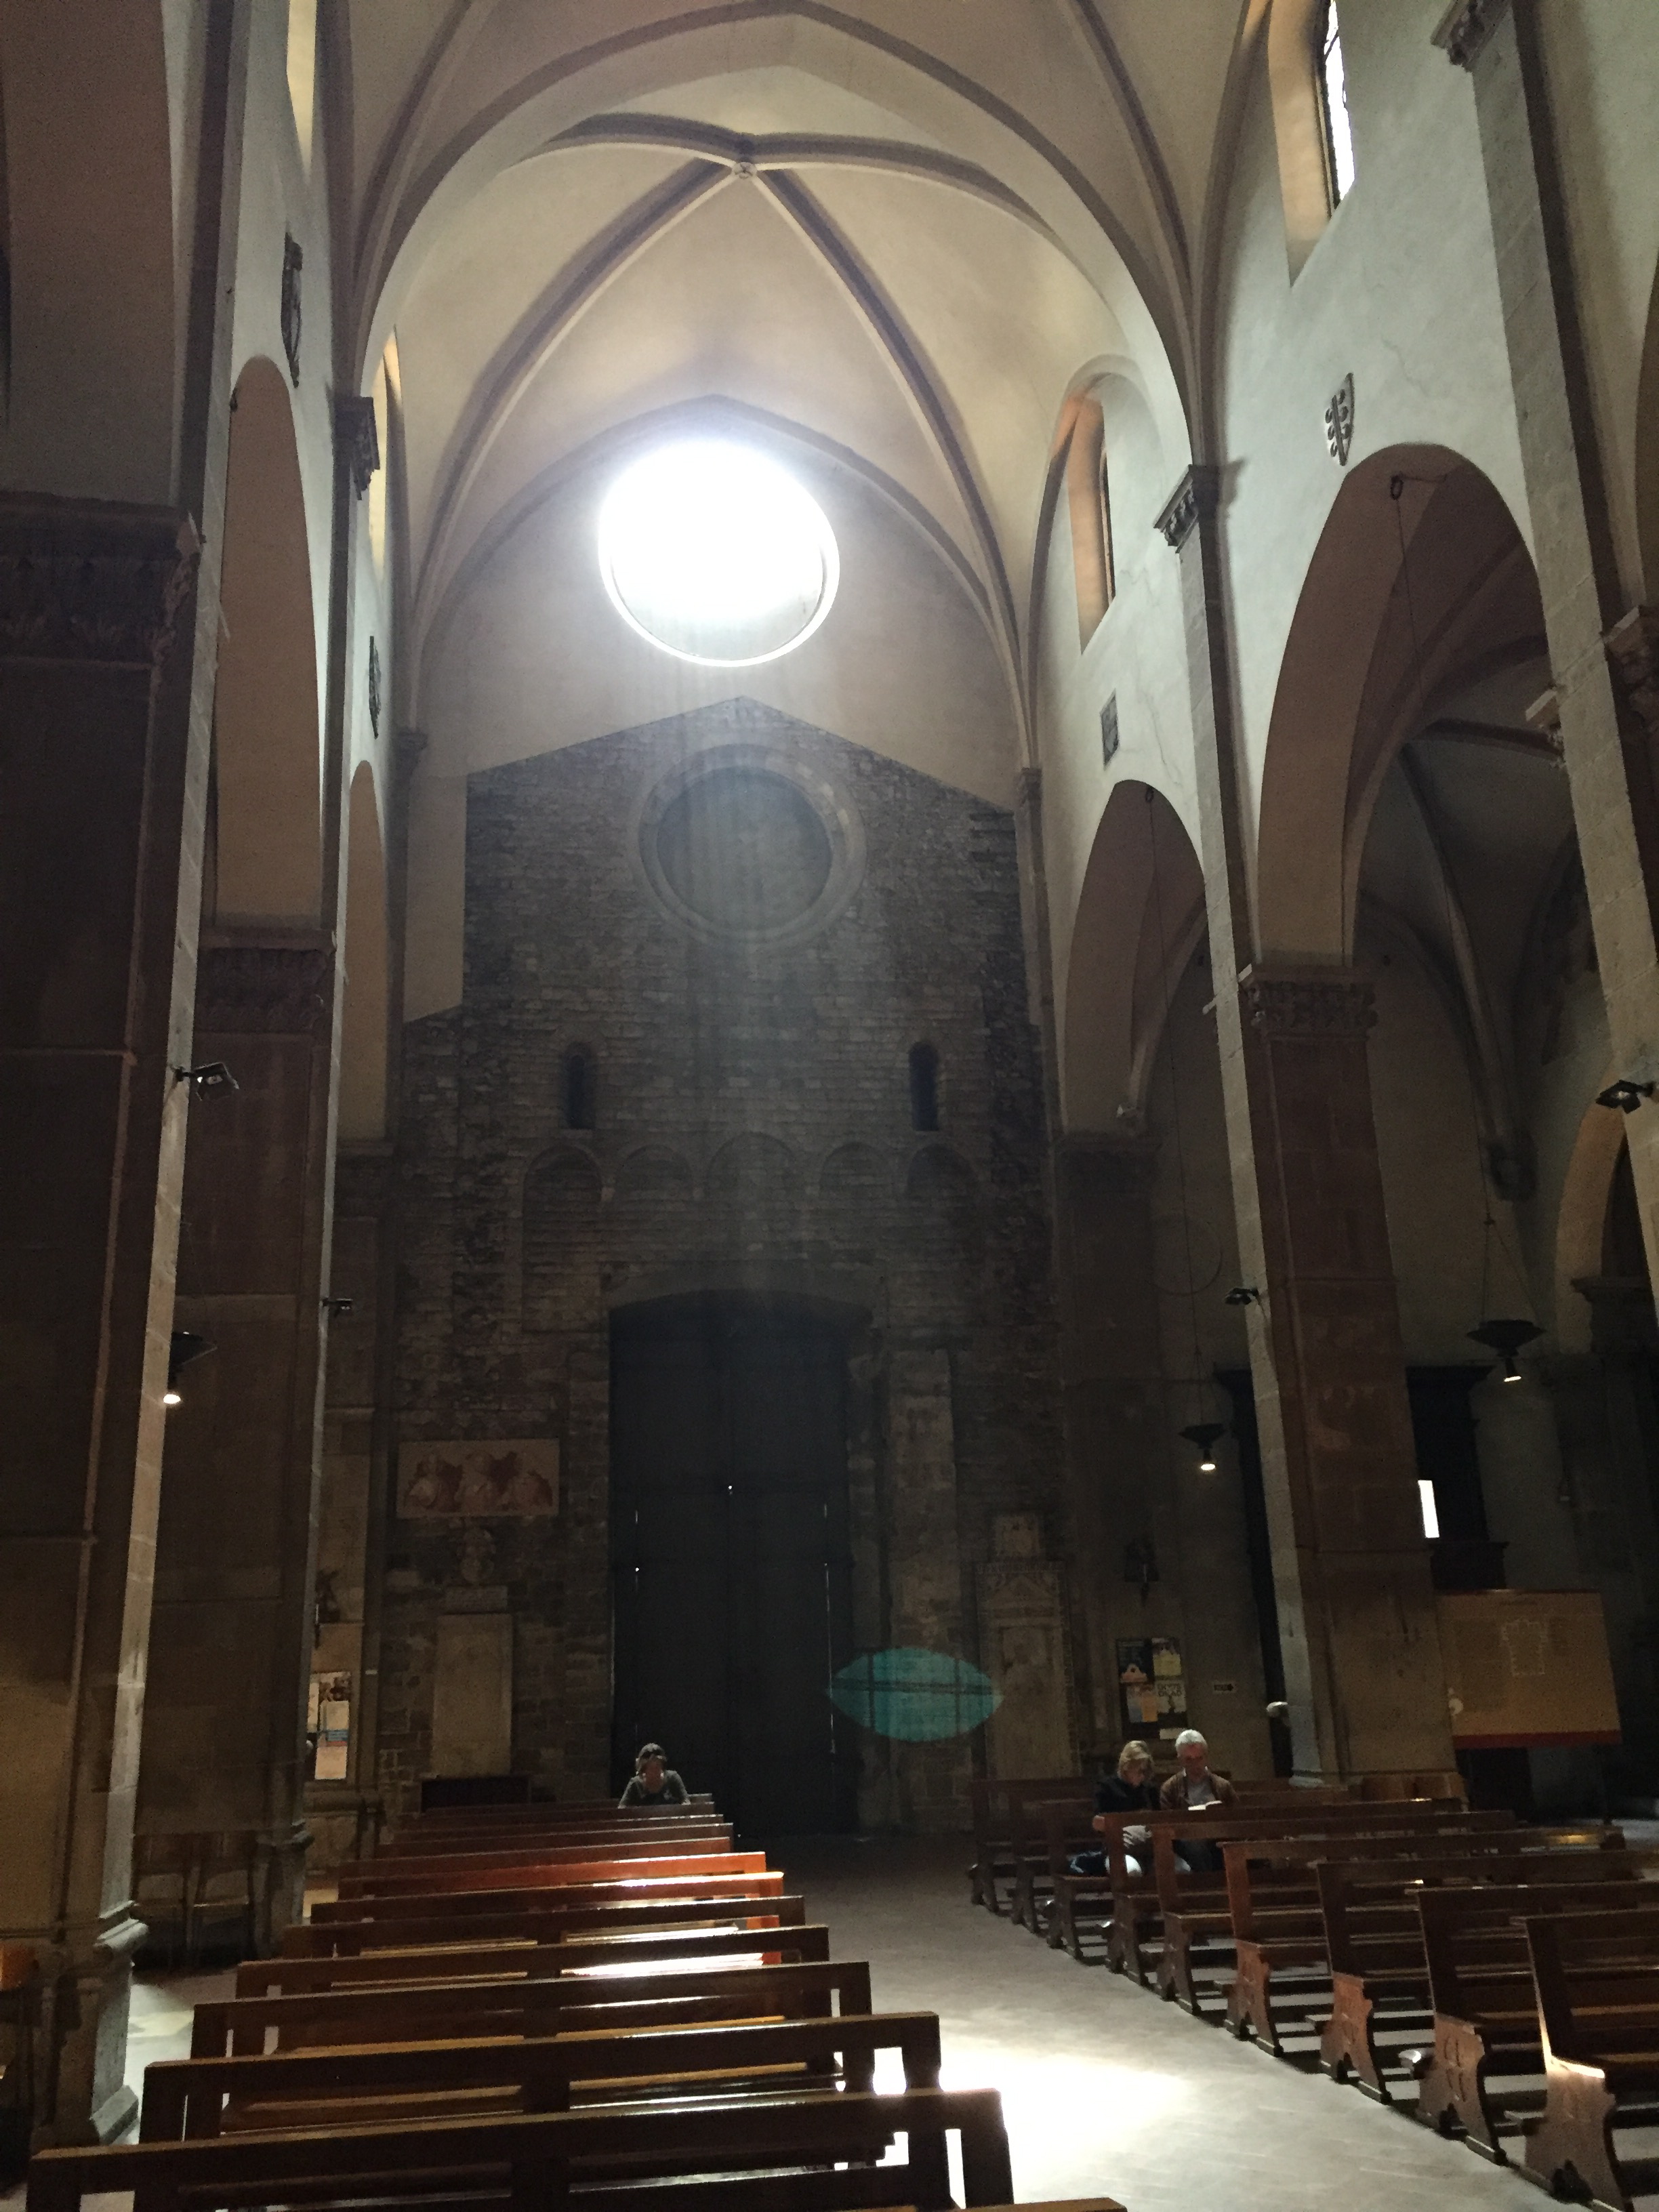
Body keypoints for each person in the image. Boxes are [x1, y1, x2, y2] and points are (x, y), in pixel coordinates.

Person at [1068, 1740, 1160, 1876]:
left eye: (1146, 1771)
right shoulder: (1107, 1787)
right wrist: (1133, 1819)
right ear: (1127, 1766)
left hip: (1150, 1848)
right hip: (1118, 1850)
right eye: (1140, 1770)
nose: (1143, 1776)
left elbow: (1160, 1819)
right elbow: (1098, 1823)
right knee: (1131, 1871)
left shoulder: (1149, 1790)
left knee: (1179, 1870)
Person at [1158, 1728, 1235, 1869]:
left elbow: (1236, 1816)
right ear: (1180, 1760)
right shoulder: (1170, 1788)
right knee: (1196, 1846)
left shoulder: (1222, 1786)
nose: (1195, 1765)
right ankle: (1209, 1880)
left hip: (1218, 1837)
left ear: (1206, 1757)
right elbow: (1168, 1823)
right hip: (1186, 1841)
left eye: (1199, 1758)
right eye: (1189, 1759)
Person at [618, 1741, 689, 1807]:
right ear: (643, 1770)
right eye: (651, 1768)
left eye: (658, 1767)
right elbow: (622, 1809)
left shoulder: (673, 1779)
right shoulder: (635, 1785)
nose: (655, 1771)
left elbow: (686, 1804)